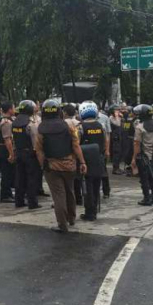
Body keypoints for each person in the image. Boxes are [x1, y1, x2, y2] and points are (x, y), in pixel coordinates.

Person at [36, 99, 87, 233]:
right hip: (69, 165)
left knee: (58, 195)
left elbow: (39, 151)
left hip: (51, 166)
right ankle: (71, 218)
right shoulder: (69, 126)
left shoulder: (40, 129)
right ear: (59, 111)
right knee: (70, 191)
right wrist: (82, 162)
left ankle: (62, 225)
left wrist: (43, 166)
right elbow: (76, 146)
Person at [78, 102, 106, 222]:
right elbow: (105, 142)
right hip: (98, 158)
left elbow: (76, 144)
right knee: (96, 186)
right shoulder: (100, 126)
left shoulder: (80, 127)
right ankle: (94, 210)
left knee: (87, 187)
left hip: (85, 160)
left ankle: (90, 212)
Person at [12, 100, 42, 209]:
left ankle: (19, 201)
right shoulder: (30, 124)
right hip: (30, 154)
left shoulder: (15, 122)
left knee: (19, 178)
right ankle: (32, 203)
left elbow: (13, 139)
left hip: (19, 152)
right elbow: (35, 142)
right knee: (31, 178)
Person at [131, 104, 153, 206]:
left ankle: (147, 198)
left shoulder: (140, 127)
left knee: (144, 178)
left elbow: (137, 144)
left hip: (143, 157)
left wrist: (134, 158)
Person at [0, 102, 16, 203]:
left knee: (9, 173)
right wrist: (11, 154)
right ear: (9, 110)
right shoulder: (6, 122)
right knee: (6, 173)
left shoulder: (6, 120)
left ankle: (8, 193)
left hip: (3, 149)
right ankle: (5, 195)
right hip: (4, 149)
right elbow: (7, 139)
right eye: (13, 107)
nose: (14, 109)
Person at [109, 104, 124, 175]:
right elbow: (117, 124)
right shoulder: (111, 118)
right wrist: (118, 116)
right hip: (115, 138)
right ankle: (115, 168)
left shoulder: (119, 118)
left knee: (119, 152)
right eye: (116, 110)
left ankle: (117, 167)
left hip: (119, 137)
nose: (118, 111)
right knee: (116, 153)